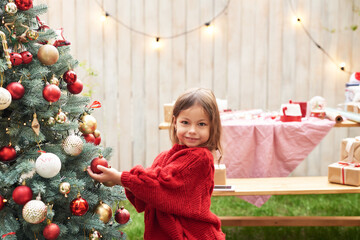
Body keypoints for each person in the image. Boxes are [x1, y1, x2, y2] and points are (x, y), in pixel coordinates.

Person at [87, 87, 225, 240]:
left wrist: (121, 178)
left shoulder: (200, 158)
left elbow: (160, 186)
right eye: (185, 122)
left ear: (212, 126)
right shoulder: (164, 157)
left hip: (190, 233)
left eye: (201, 124)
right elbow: (147, 193)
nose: (192, 130)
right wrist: (120, 180)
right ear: (175, 122)